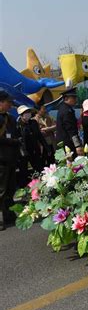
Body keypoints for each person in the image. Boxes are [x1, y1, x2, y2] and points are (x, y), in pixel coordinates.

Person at [0, 91, 20, 230]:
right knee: (0, 190)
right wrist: (12, 141)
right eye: (8, 102)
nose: (10, 105)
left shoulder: (11, 119)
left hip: (11, 158)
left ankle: (9, 215)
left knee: (10, 189)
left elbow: (16, 134)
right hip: (1, 159)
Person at [17, 105, 48, 185]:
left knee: (39, 169)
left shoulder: (33, 122)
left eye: (28, 112)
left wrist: (46, 147)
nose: (28, 114)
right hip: (24, 152)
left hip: (34, 150)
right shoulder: (18, 125)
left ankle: (42, 184)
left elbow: (39, 136)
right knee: (24, 171)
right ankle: (25, 187)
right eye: (25, 113)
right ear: (21, 115)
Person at [56, 88, 83, 156]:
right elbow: (70, 129)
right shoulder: (67, 111)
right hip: (68, 143)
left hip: (64, 142)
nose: (75, 99)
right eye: (73, 97)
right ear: (66, 98)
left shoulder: (64, 108)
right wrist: (77, 145)